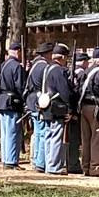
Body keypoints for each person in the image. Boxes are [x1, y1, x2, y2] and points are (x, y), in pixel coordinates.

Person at [41, 43, 76, 175]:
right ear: (62, 57)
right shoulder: (58, 71)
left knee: (49, 136)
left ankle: (49, 164)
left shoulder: (48, 68)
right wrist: (70, 109)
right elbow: (64, 92)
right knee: (55, 137)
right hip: (57, 107)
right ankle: (54, 166)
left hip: (47, 106)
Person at [79, 47, 99, 177]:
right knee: (97, 138)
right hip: (95, 108)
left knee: (86, 138)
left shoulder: (87, 71)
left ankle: (85, 166)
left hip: (84, 106)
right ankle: (95, 168)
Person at [24, 42, 53, 173]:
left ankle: (36, 160)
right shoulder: (44, 67)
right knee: (42, 133)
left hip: (32, 100)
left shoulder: (34, 65)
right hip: (39, 102)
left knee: (38, 132)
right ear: (48, 54)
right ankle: (40, 162)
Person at [0, 42, 26, 169]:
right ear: (18, 51)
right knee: (12, 132)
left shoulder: (4, 65)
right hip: (12, 102)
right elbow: (20, 86)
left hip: (2, 101)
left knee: (5, 132)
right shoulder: (16, 66)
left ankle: (6, 158)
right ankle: (11, 160)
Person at [67, 51, 89, 174]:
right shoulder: (81, 74)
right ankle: (73, 164)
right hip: (76, 110)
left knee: (71, 138)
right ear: (84, 61)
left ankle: (71, 162)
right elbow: (77, 93)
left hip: (70, 108)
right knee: (74, 139)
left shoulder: (69, 72)